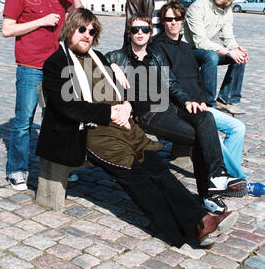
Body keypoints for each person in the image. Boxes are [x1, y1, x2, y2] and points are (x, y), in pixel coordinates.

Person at [35, 7, 239, 249]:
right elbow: (65, 106)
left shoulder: (98, 58)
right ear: (70, 30)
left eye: (91, 31)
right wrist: (109, 112)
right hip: (85, 132)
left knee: (158, 167)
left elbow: (116, 88)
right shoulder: (56, 62)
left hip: (120, 126)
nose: (86, 35)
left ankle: (200, 221)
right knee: (136, 175)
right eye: (81, 29)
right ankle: (176, 231)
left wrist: (123, 105)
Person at [106, 15, 247, 215]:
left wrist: (187, 101)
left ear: (150, 33)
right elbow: (95, 60)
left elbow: (171, 84)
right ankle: (209, 195)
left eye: (145, 30)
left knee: (205, 116)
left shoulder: (157, 57)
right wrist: (112, 66)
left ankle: (217, 176)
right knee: (199, 137)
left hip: (171, 107)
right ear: (129, 33)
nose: (140, 33)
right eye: (135, 29)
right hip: (150, 114)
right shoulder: (119, 56)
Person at [153, 1, 263, 197]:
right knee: (213, 138)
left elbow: (196, 79)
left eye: (177, 19)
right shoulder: (157, 47)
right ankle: (241, 182)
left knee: (238, 128)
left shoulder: (186, 48)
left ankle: (228, 178)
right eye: (169, 19)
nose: (173, 23)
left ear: (182, 20)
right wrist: (188, 101)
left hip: (199, 105)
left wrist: (202, 99)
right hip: (180, 107)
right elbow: (167, 84)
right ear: (163, 22)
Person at [2, 0, 83, 191]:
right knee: (24, 120)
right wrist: (42, 21)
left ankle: (57, 169)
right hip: (29, 65)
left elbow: (80, 16)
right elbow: (7, 29)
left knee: (57, 119)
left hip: (57, 67)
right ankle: (17, 169)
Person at [183, 0, 249, 114]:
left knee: (239, 57)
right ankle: (208, 103)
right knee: (211, 56)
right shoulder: (198, 7)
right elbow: (200, 41)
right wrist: (228, 51)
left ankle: (226, 99)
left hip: (204, 49)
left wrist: (236, 49)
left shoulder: (227, 12)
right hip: (187, 50)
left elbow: (228, 37)